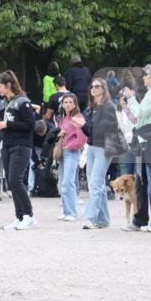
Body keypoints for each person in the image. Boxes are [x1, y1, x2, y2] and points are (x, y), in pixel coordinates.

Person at [0, 71, 37, 230]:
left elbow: (31, 125)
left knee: (15, 180)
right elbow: (8, 123)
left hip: (21, 146)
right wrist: (0, 125)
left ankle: (29, 215)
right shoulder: (4, 103)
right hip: (8, 145)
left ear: (8, 85)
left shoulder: (22, 102)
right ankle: (19, 216)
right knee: (11, 182)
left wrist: (8, 125)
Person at [121, 63, 151, 235]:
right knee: (149, 182)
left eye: (145, 75)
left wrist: (131, 98)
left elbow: (140, 114)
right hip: (149, 140)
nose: (143, 78)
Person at [80, 77, 121, 229]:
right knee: (96, 184)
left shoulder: (109, 106)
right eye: (92, 86)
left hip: (103, 148)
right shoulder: (93, 106)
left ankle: (90, 218)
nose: (94, 89)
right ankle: (103, 219)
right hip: (91, 147)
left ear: (104, 89)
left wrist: (85, 124)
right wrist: (83, 126)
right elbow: (89, 132)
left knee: (95, 183)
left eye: (97, 86)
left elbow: (104, 129)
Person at [55, 93, 86, 222]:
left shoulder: (78, 118)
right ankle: (66, 211)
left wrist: (70, 146)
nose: (67, 104)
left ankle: (72, 212)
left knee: (68, 182)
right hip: (63, 152)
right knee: (62, 183)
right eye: (65, 102)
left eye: (70, 102)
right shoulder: (63, 119)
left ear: (75, 104)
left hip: (71, 153)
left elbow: (82, 139)